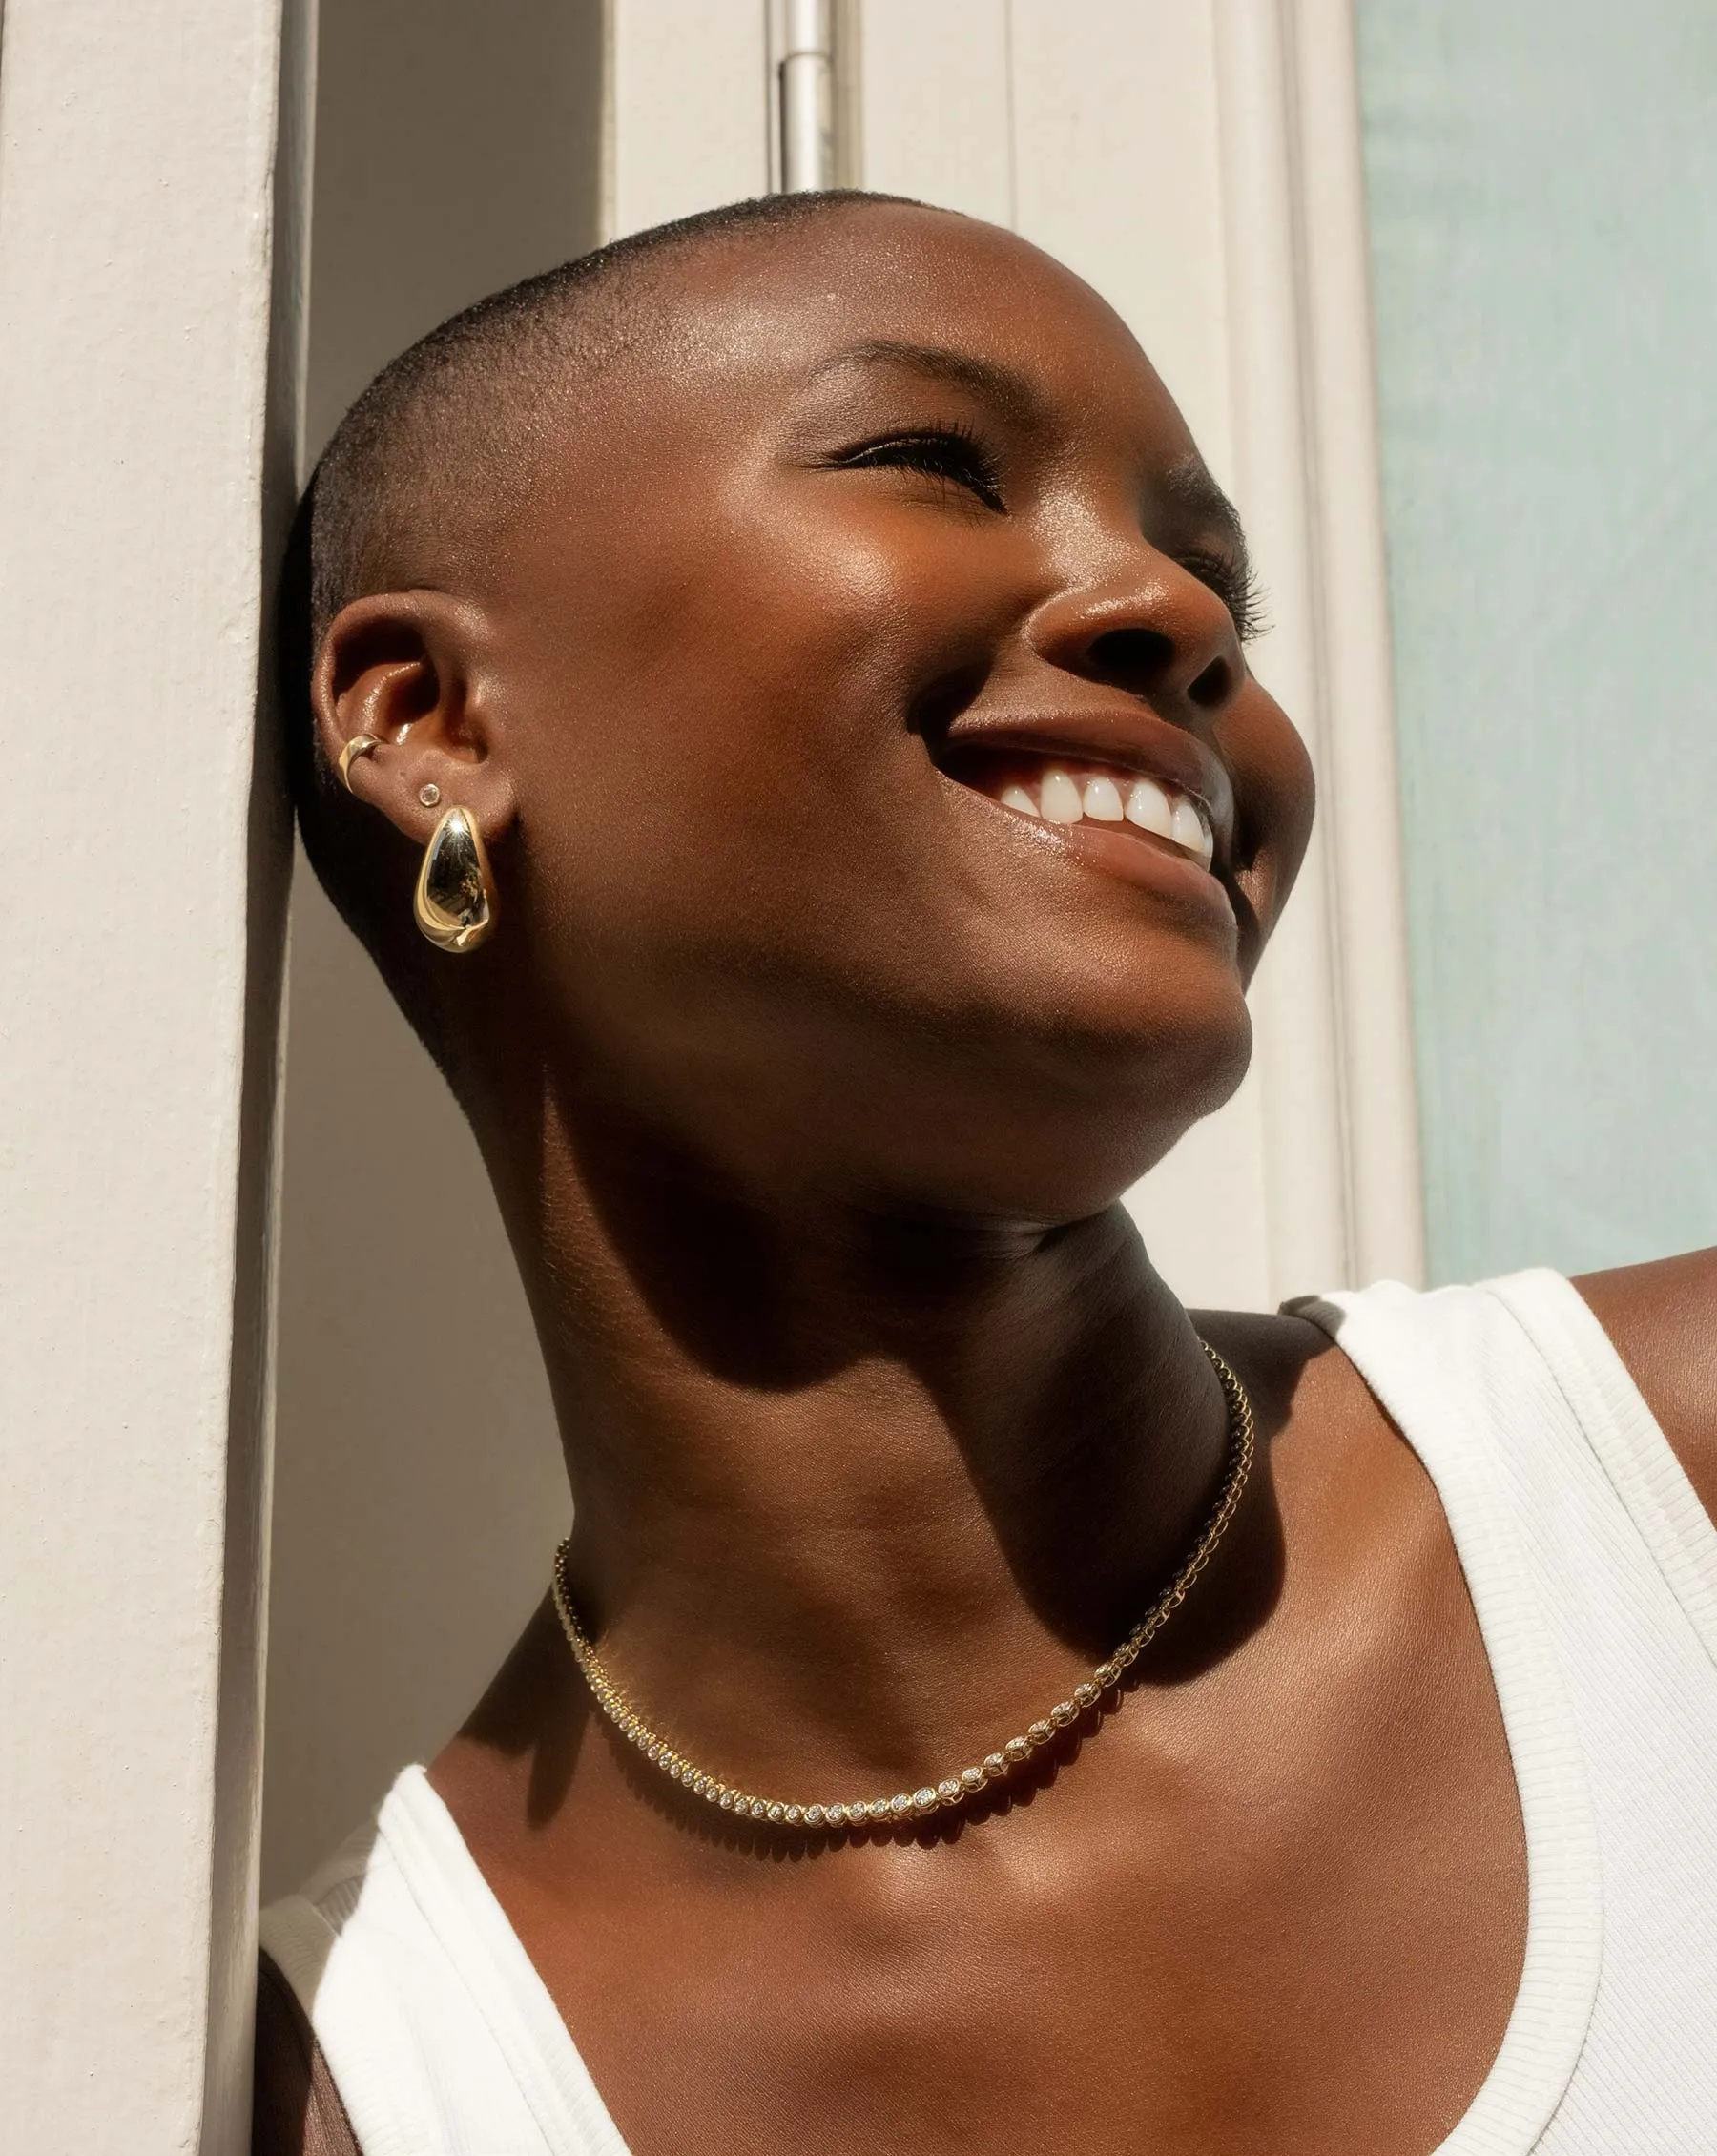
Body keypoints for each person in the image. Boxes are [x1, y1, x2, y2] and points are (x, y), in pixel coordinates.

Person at [252, 192, 1717, 2156]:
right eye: (932, 462)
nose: (1175, 618)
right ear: (429, 720)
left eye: (1221, 583)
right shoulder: (372, 2081)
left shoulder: (1669, 1502)